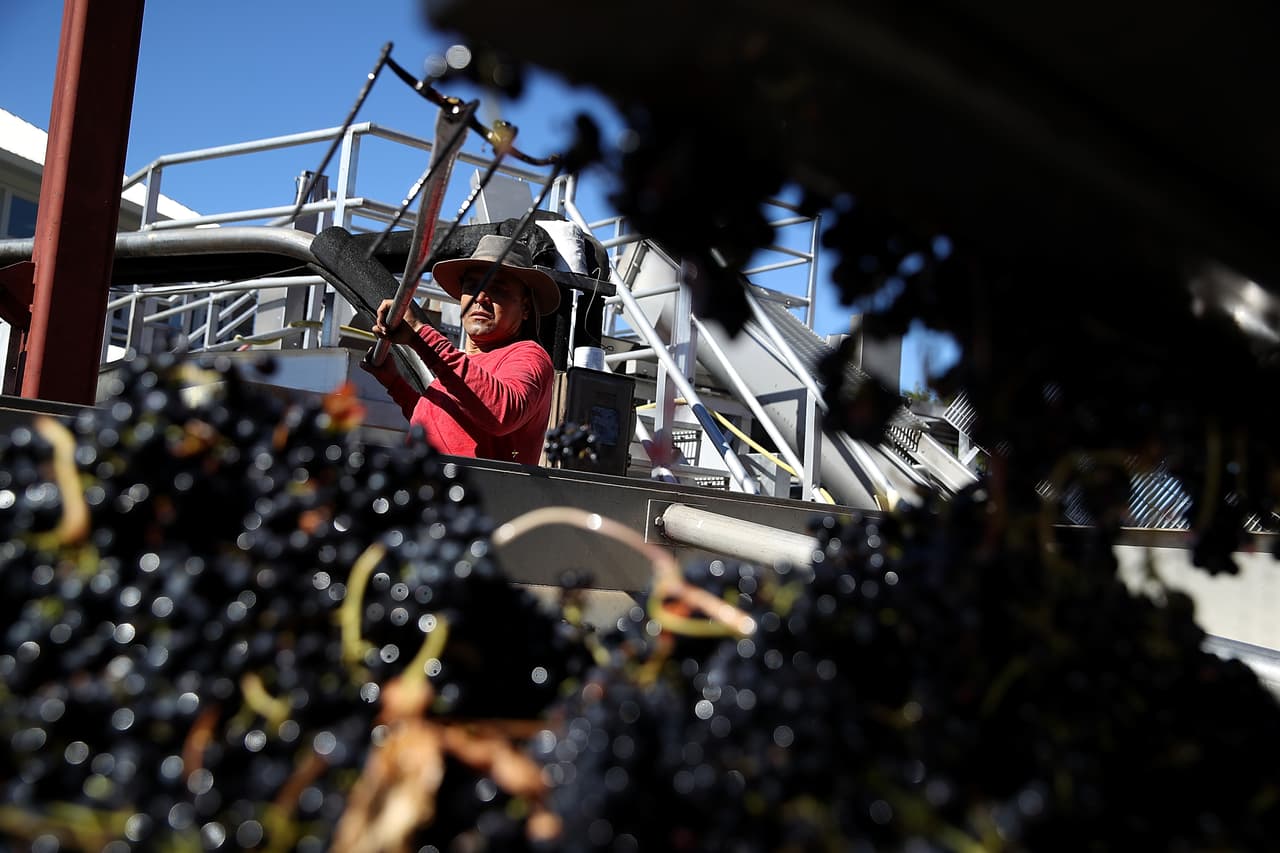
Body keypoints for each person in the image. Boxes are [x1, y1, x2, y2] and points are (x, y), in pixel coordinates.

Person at [363, 234, 559, 464]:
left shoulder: (529, 355)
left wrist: (420, 333)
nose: (481, 297)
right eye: (473, 286)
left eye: (497, 288)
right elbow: (442, 424)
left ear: (525, 308)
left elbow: (501, 412)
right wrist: (395, 383)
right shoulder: (459, 367)